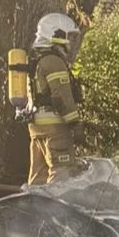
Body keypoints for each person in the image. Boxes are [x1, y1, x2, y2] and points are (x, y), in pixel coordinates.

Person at [23, 13, 85, 185]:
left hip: (36, 127)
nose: (70, 41)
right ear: (56, 34)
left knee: (39, 178)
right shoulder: (53, 61)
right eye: (68, 36)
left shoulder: (35, 60)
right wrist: (75, 124)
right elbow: (61, 96)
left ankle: (32, 202)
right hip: (55, 128)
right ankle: (56, 204)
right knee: (61, 176)